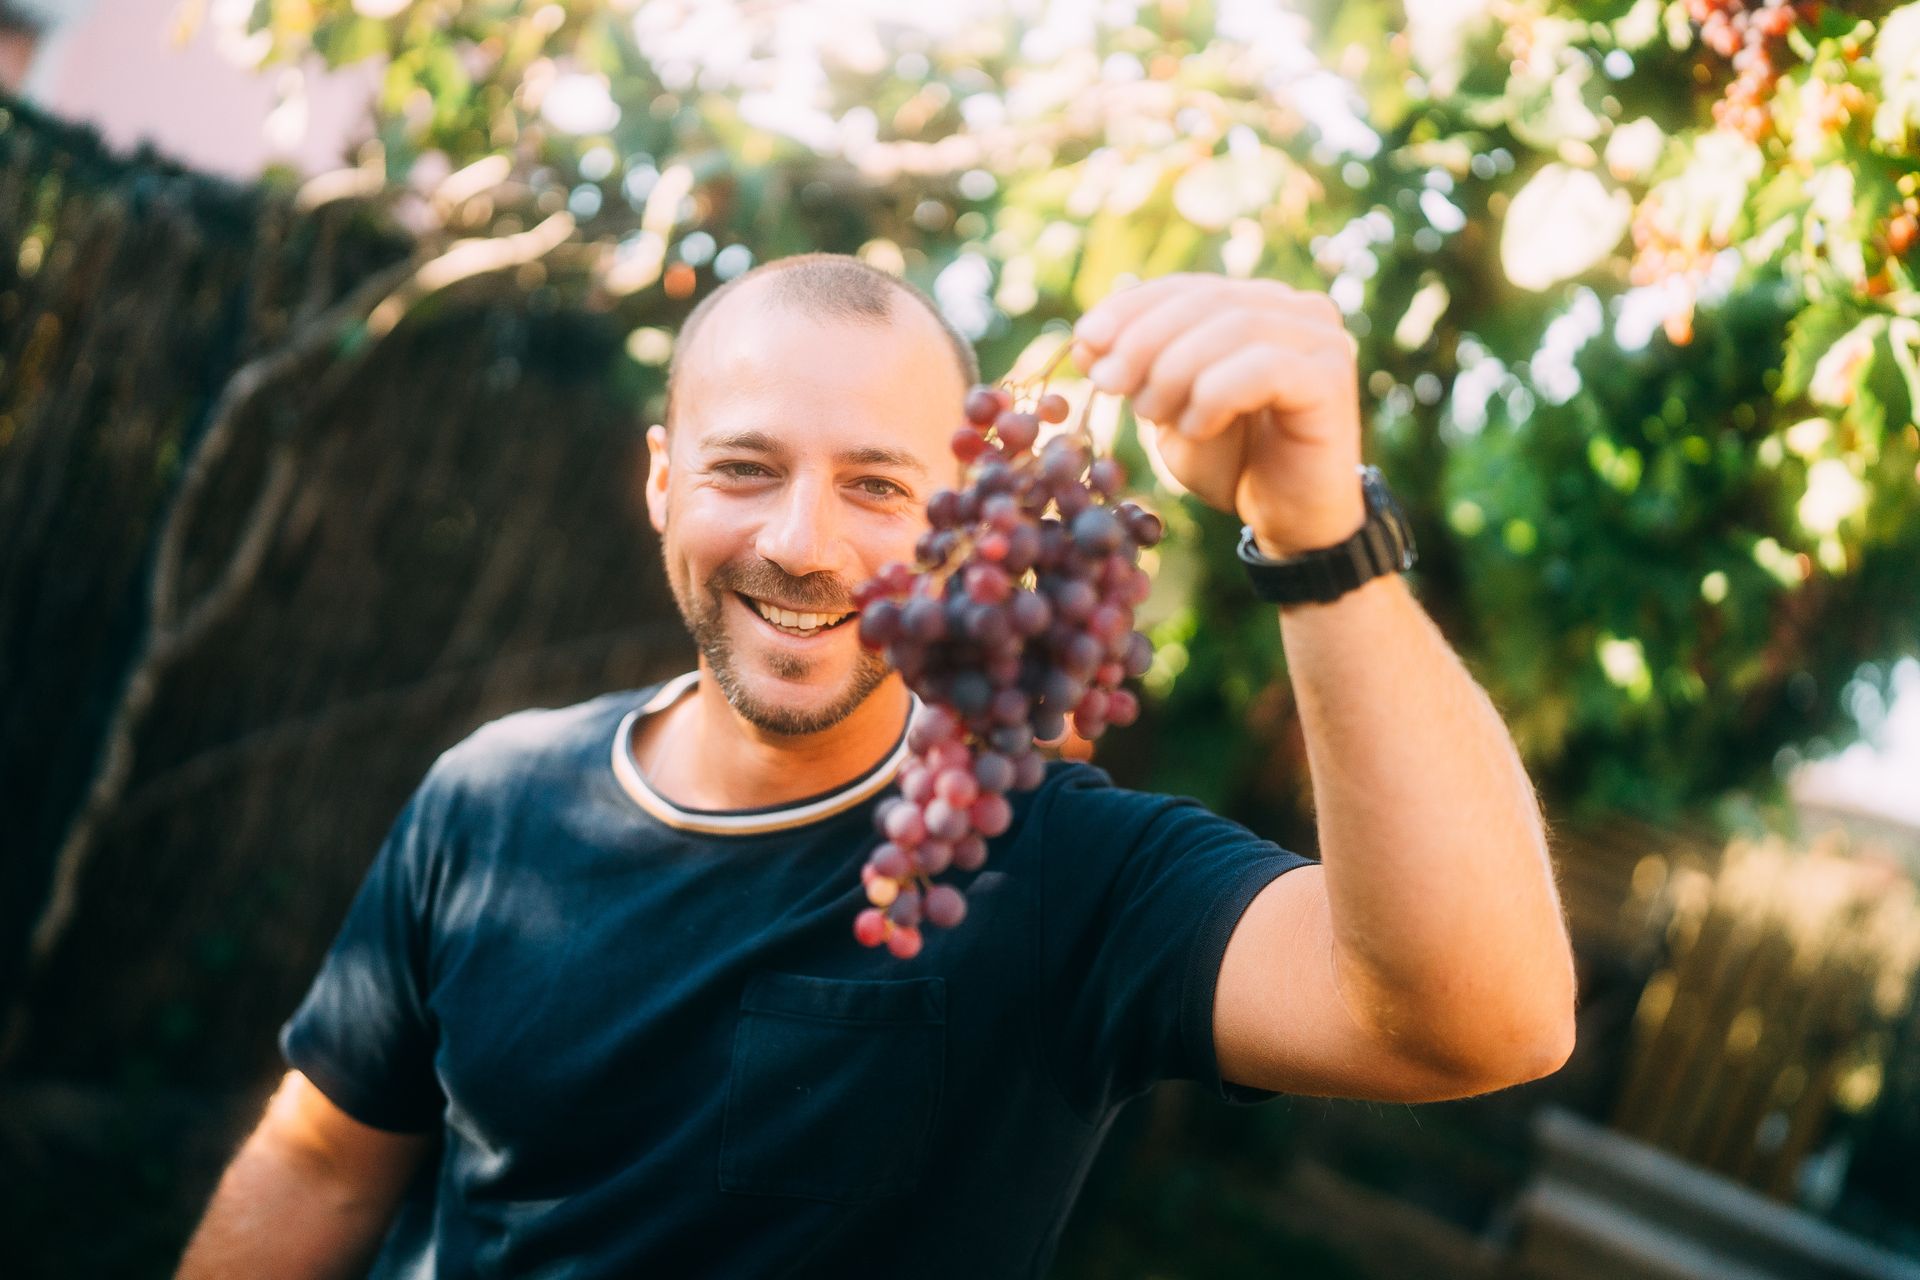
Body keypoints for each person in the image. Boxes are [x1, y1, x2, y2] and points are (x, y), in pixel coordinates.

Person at [176, 253, 1577, 1278]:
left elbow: (1487, 1021)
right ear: (662, 480)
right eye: (744, 467)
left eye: (877, 486)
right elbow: (322, 1165)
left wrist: (1320, 536)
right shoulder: (486, 797)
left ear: (966, 520)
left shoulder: (1055, 868)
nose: (803, 544)